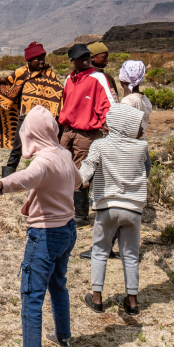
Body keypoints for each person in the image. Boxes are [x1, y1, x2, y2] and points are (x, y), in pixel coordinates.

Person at [0, 106, 81, 347]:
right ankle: (63, 336)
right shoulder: (64, 154)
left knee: (32, 293)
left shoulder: (43, 162)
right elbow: (78, 183)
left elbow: (26, 178)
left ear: (30, 133)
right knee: (58, 285)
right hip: (68, 230)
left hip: (45, 234)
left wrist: (0, 185)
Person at [78, 103, 148, 316]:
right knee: (130, 254)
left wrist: (79, 182)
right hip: (133, 208)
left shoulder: (100, 145)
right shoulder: (141, 147)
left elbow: (87, 168)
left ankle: (97, 298)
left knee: (100, 250)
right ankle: (132, 300)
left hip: (107, 207)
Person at [58, 43, 116, 226]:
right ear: (71, 60)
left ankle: (81, 215)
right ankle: (66, 208)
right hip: (68, 130)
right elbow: (65, 102)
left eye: (87, 55)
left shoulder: (98, 77)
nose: (85, 59)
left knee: (80, 171)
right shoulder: (69, 78)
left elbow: (109, 104)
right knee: (63, 168)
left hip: (87, 132)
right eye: (81, 56)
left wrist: (111, 125)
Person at [0, 42, 64, 178]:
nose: (41, 62)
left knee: (45, 147)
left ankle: (44, 174)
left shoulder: (49, 74)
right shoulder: (21, 72)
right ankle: (7, 178)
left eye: (43, 58)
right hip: (24, 116)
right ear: (29, 60)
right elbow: (5, 83)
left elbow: (59, 91)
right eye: (38, 59)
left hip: (43, 119)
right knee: (17, 147)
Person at [118, 60, 153, 137]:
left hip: (127, 147)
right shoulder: (145, 100)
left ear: (122, 79)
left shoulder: (127, 102)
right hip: (140, 146)